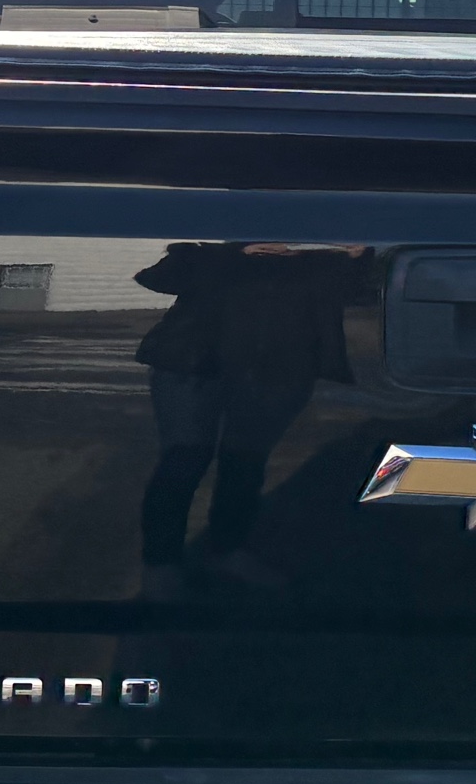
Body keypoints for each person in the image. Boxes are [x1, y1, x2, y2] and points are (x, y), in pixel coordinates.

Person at [133, 242, 363, 595]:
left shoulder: (327, 253)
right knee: (183, 461)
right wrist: (236, 249)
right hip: (193, 363)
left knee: (246, 464)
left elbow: (364, 293)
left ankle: (228, 551)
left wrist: (360, 255)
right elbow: (157, 279)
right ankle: (160, 564)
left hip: (283, 370)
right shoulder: (218, 237)